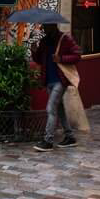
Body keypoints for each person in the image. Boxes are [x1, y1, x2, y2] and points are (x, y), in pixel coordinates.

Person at [31, 23, 82, 152]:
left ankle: (48, 140)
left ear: (54, 26)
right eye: (44, 27)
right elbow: (39, 60)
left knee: (50, 108)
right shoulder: (44, 41)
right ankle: (70, 137)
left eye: (47, 27)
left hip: (60, 80)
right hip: (49, 81)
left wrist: (61, 58)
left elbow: (77, 55)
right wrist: (33, 50)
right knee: (59, 109)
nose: (45, 29)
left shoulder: (65, 39)